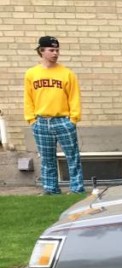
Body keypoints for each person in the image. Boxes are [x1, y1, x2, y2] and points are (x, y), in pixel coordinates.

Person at [23, 35, 84, 194]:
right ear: (41, 51)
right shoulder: (31, 74)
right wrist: (31, 120)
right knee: (47, 159)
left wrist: (73, 119)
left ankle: (77, 189)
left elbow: (74, 97)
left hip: (63, 120)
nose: (55, 53)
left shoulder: (67, 74)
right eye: (51, 50)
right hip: (41, 122)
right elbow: (28, 98)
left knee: (73, 157)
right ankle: (51, 190)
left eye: (57, 50)